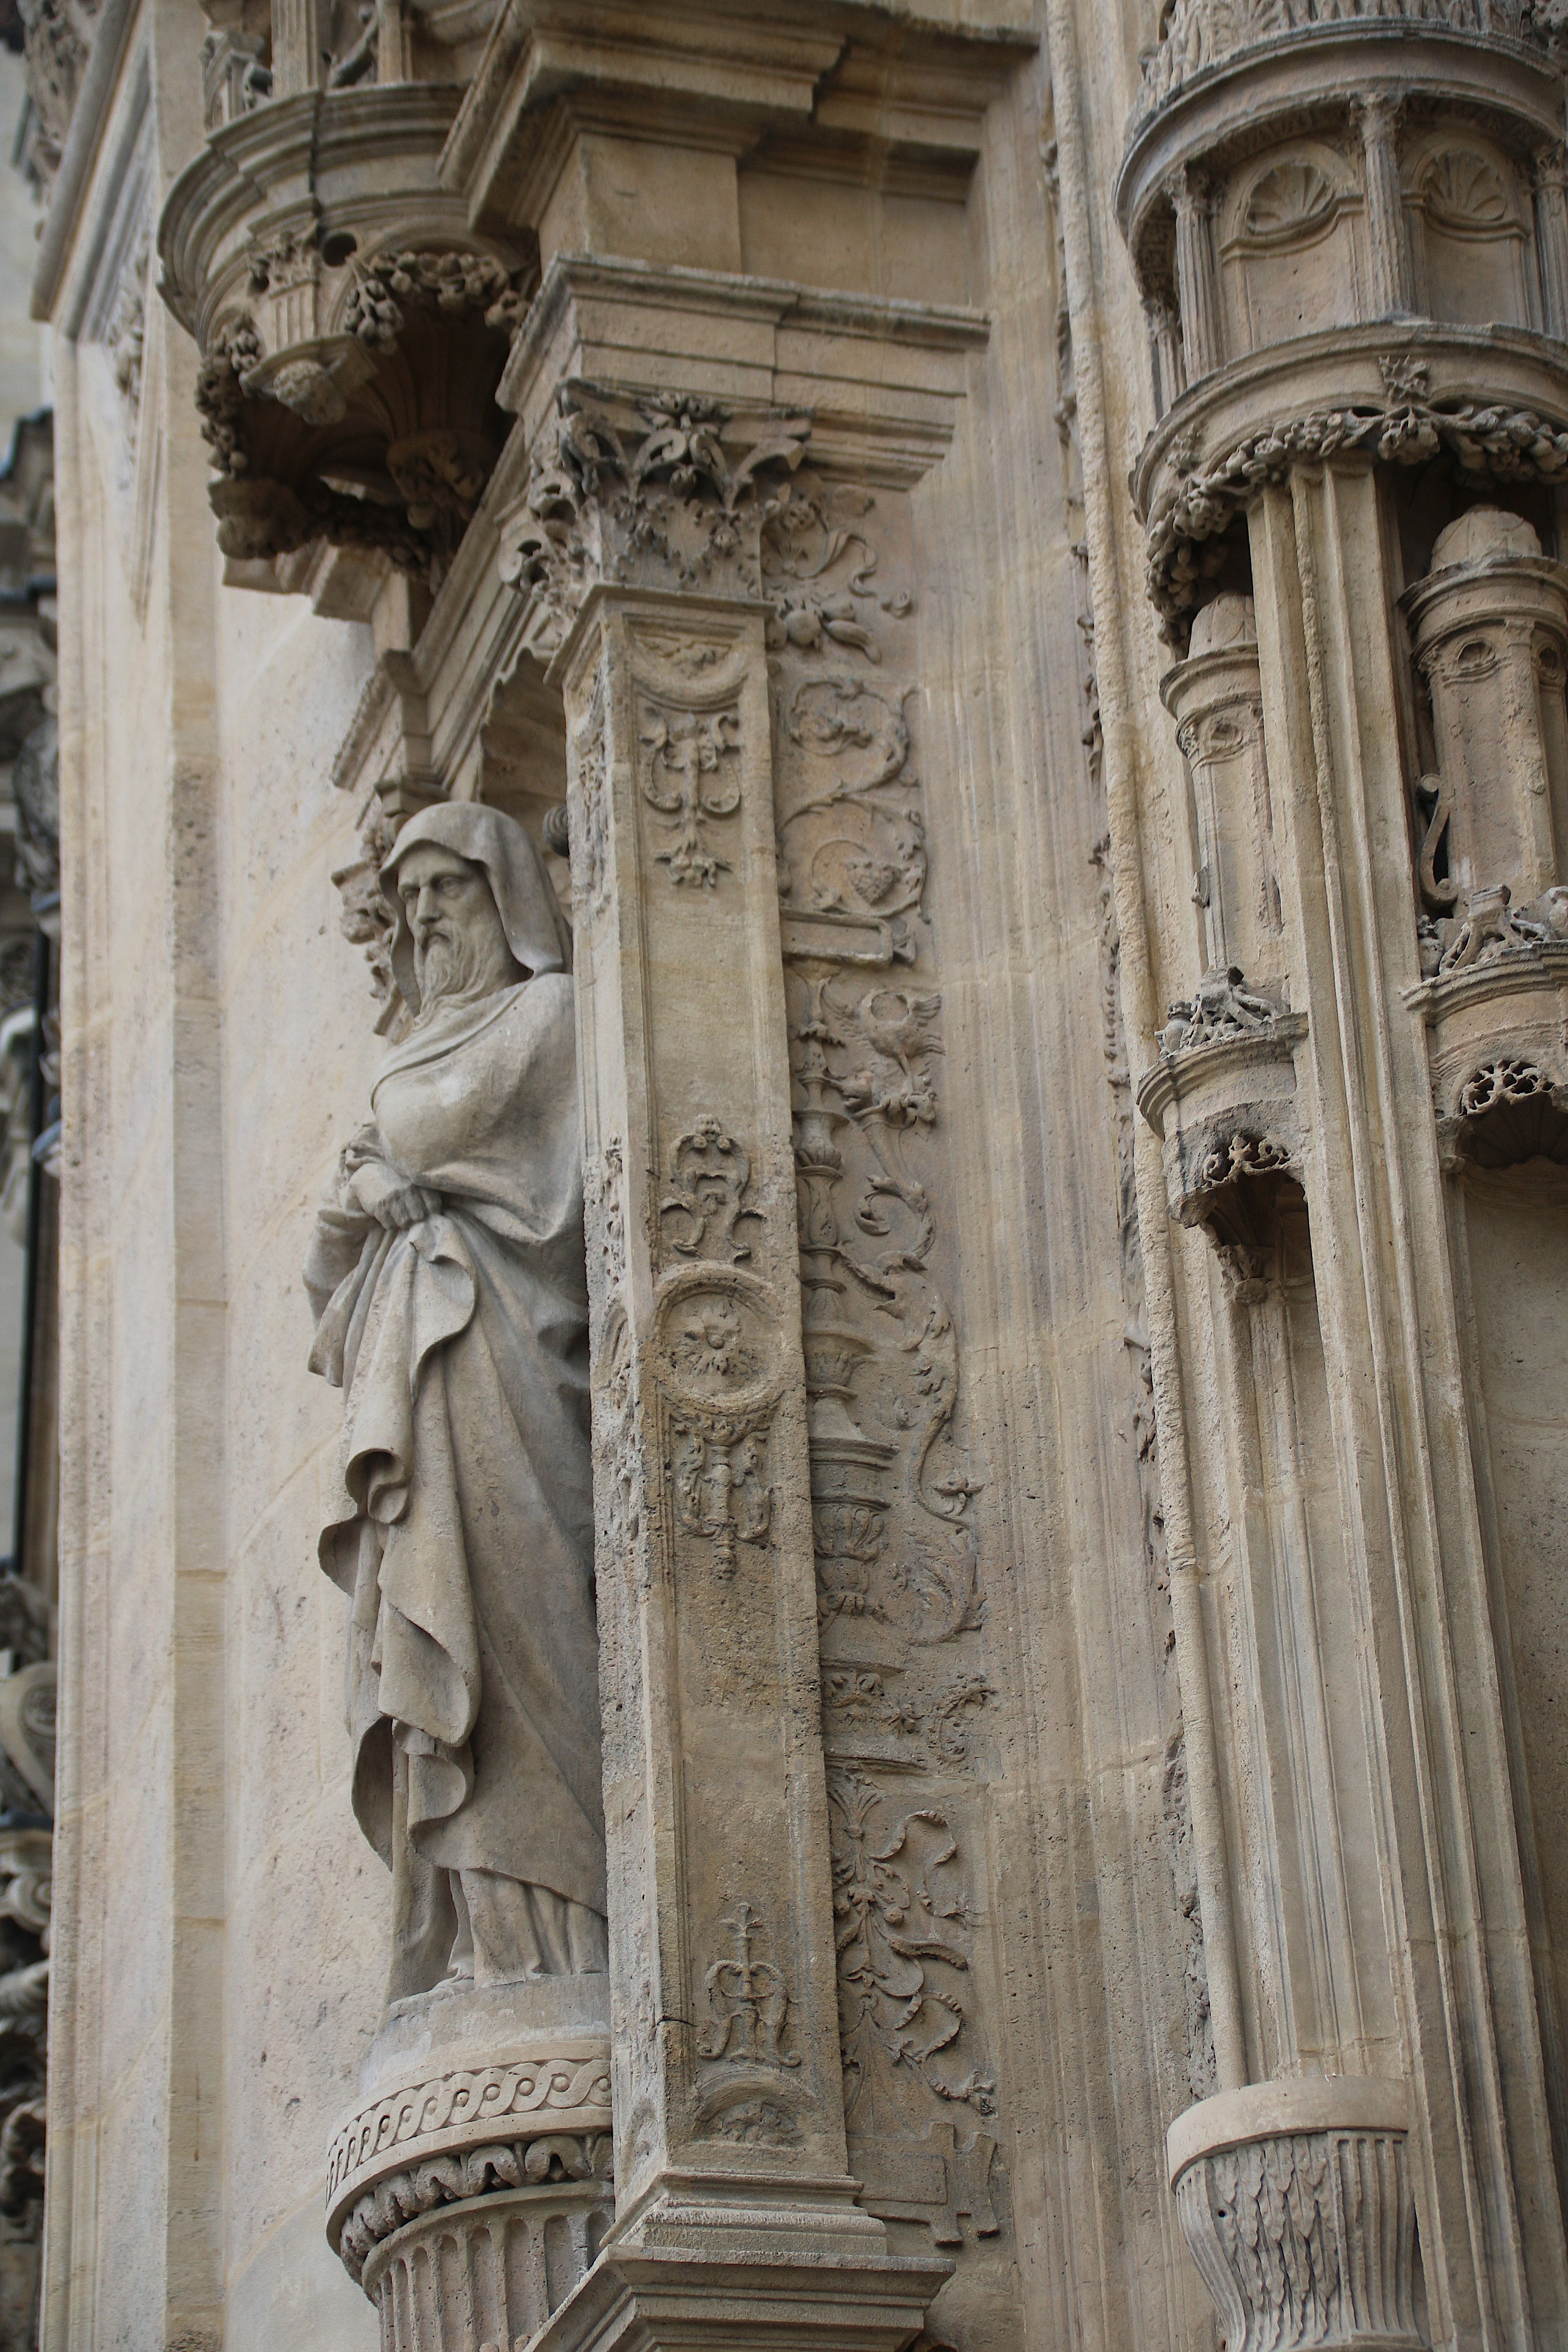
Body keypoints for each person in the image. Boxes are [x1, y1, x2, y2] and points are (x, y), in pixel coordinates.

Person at [304, 802, 604, 2005]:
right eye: (412, 895)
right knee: (436, 1626)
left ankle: (573, 1941)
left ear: (504, 892)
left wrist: (414, 1181)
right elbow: (330, 1240)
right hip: (415, 1367)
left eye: (450, 888)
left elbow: (574, 1195)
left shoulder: (552, 1015)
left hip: (513, 1353)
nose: (427, 915)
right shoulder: (406, 1055)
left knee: (534, 1623)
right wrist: (370, 1189)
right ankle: (486, 1944)